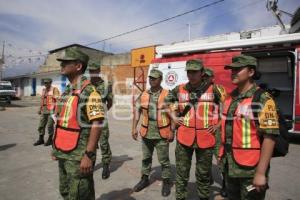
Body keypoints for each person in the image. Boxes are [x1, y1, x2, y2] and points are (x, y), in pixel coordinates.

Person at [218, 55, 279, 200]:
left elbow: (270, 138)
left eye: (237, 70)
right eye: (231, 70)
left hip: (250, 170)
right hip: (230, 166)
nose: (233, 73)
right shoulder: (229, 97)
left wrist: (260, 173)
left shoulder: (263, 99)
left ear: (251, 72)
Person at [166, 59, 226, 200]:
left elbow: (229, 106)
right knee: (181, 173)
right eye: (189, 72)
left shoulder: (214, 89)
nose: (191, 75)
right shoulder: (179, 89)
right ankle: (180, 197)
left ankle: (203, 197)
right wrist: (173, 117)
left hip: (206, 139)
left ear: (202, 73)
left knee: (203, 174)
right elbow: (166, 102)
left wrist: (218, 125)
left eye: (195, 72)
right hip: (184, 138)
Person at [52, 47, 104, 200]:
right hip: (64, 152)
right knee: (66, 192)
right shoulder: (67, 91)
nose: (62, 65)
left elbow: (98, 123)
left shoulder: (90, 92)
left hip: (79, 156)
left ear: (78, 66)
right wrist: (56, 148)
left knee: (80, 194)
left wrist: (88, 155)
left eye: (66, 62)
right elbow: (62, 121)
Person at [131, 69, 173, 197]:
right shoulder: (143, 94)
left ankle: (166, 181)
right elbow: (137, 111)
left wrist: (172, 130)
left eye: (154, 78)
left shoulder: (167, 94)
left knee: (164, 160)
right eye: (150, 78)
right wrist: (133, 128)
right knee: (146, 158)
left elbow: (174, 113)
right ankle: (144, 178)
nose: (151, 80)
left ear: (160, 79)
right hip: (146, 131)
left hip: (162, 132)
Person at [203, 68, 228, 197]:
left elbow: (226, 108)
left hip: (216, 130)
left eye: (207, 76)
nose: (205, 79)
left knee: (220, 158)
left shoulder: (218, 89)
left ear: (213, 77)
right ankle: (209, 178)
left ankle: (225, 184)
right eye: (203, 76)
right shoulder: (199, 90)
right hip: (203, 131)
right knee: (204, 157)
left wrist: (218, 125)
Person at [88, 61, 113, 180]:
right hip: (87, 119)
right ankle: (90, 162)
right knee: (89, 141)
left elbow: (110, 102)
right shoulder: (86, 85)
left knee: (103, 142)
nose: (92, 73)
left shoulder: (106, 85)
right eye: (90, 71)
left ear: (98, 71)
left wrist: (102, 113)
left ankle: (106, 165)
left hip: (101, 119)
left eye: (94, 71)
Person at [34, 78, 60, 146]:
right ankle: (41, 139)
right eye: (44, 83)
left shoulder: (54, 89)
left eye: (47, 83)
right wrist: (40, 109)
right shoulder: (43, 90)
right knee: (41, 125)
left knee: (50, 126)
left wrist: (57, 111)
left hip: (52, 111)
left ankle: (50, 139)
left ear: (50, 83)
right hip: (44, 110)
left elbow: (58, 101)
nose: (45, 84)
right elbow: (42, 100)